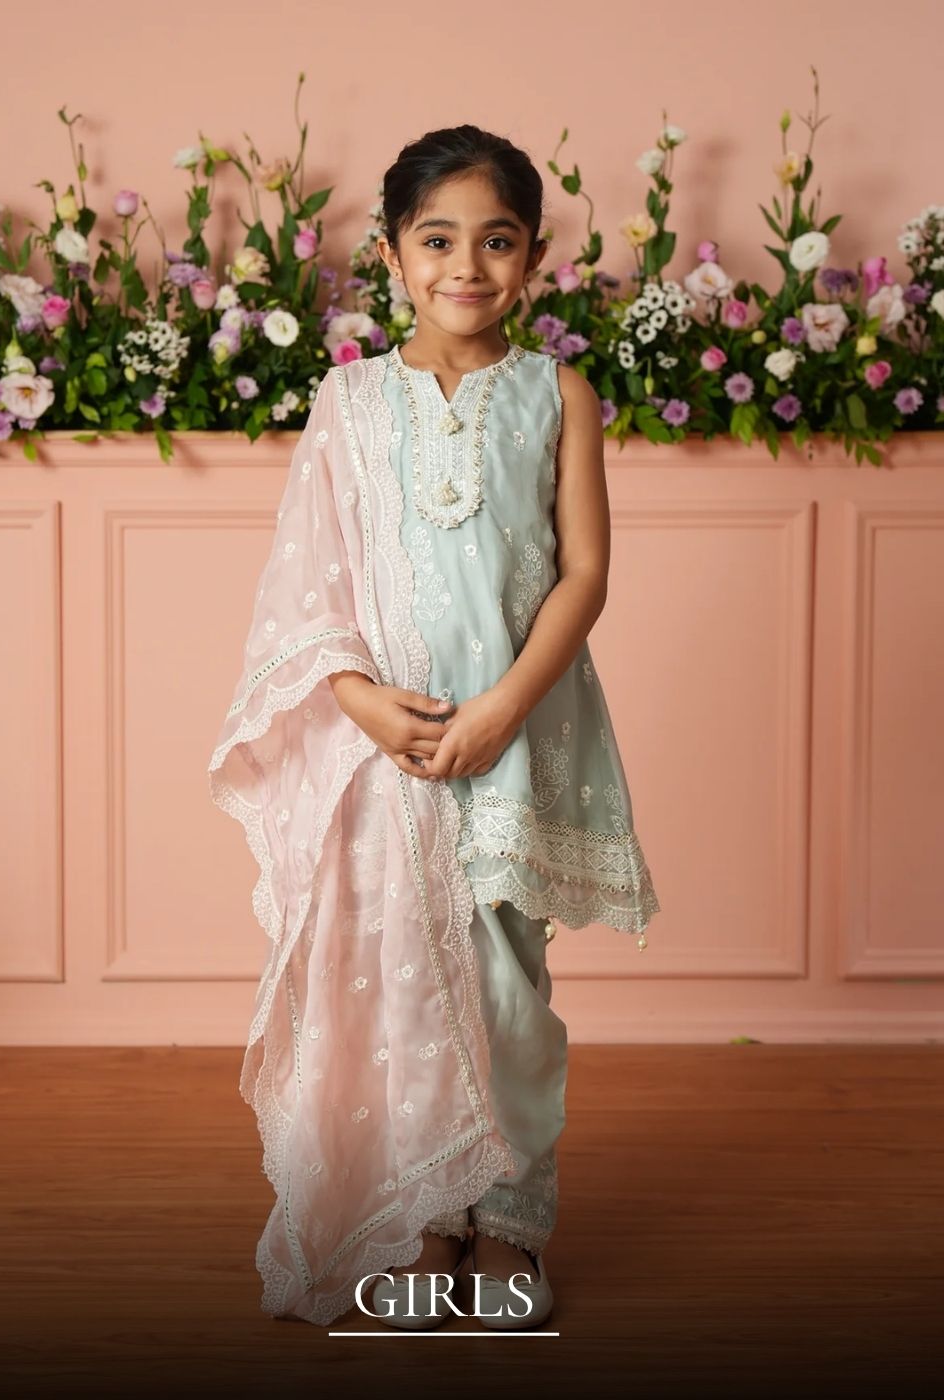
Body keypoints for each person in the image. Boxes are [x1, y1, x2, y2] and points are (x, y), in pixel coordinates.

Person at [207, 123, 660, 1329]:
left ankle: (507, 1219)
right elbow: (308, 585)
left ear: (535, 257)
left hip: (517, 738)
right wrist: (361, 706)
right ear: (394, 256)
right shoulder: (350, 401)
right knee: (398, 982)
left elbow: (583, 574)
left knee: (507, 988)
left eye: (497, 241)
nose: (467, 265)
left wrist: (506, 706)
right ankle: (422, 1213)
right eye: (438, 239)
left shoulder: (558, 395)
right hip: (387, 757)